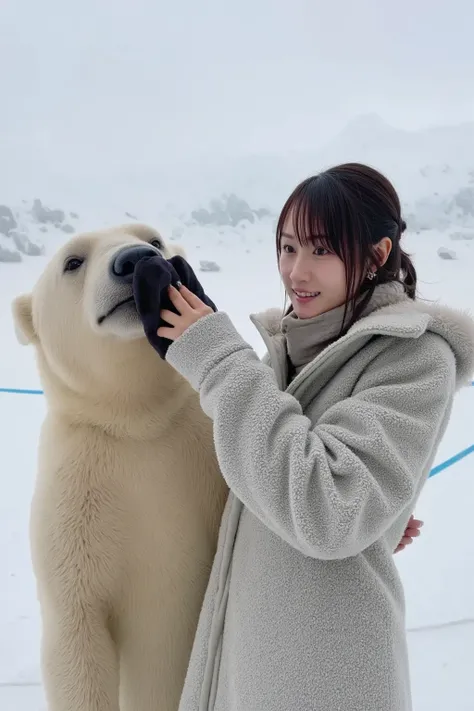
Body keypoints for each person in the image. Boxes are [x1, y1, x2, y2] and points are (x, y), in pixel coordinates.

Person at [148, 163, 474, 710]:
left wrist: (220, 363)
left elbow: (329, 511)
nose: (296, 271)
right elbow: (307, 489)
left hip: (326, 682)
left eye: (322, 250)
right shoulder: (294, 351)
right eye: (288, 246)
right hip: (256, 663)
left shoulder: (414, 356)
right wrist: (378, 512)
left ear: (376, 255)